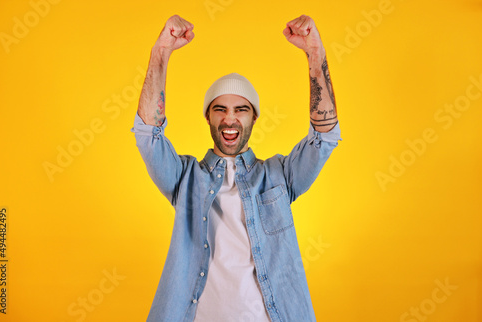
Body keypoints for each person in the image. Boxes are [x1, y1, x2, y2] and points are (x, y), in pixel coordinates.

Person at [132, 14, 342, 322]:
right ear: (208, 116)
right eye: (220, 109)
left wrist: (315, 53)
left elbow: (324, 137)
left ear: (254, 117)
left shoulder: (279, 175)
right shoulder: (184, 178)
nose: (230, 120)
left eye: (241, 110)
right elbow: (148, 135)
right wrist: (161, 51)